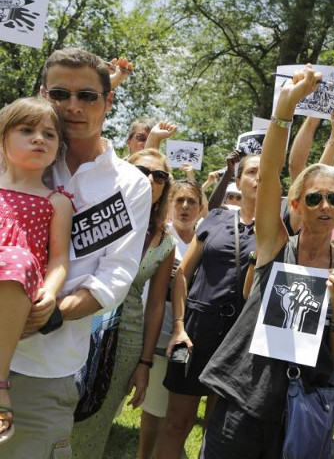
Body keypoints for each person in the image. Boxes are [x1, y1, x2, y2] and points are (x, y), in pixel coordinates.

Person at [198, 65, 334, 458]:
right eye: (315, 198)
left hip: (298, 410)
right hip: (244, 403)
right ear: (299, 205)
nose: (325, 205)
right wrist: (285, 110)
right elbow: (270, 173)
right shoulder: (274, 245)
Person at [1, 48, 151, 458]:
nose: (72, 107)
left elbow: (117, 275)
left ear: (109, 101)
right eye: (60, 93)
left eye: (87, 96)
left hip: (43, 367)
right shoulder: (15, 156)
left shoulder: (130, 184)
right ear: (42, 94)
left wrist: (53, 312)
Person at [71, 149, 176, 458]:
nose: (150, 179)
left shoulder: (164, 241)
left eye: (159, 176)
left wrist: (144, 365)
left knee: (95, 420)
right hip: (76, 322)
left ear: (164, 187)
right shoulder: (95, 213)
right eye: (142, 170)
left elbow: (156, 306)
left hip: (124, 341)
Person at [155, 153, 260, 459]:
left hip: (238, 340)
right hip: (196, 331)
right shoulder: (216, 218)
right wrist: (179, 326)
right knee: (177, 422)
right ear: (239, 182)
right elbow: (183, 276)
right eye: (252, 171)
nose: (259, 177)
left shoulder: (279, 229)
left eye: (267, 172)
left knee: (219, 430)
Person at [0, 98, 74, 444]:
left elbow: (59, 258)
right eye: (26, 130)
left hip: (16, 289)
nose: (38, 139)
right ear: (3, 138)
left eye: (49, 134)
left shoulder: (55, 201)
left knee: (18, 259)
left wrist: (51, 290)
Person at [137, 179, 204, 459]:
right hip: (156, 330)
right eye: (179, 200)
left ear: (201, 209)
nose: (185, 207)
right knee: (153, 408)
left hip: (187, 336)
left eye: (192, 202)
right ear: (170, 205)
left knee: (173, 409)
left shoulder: (206, 240)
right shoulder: (160, 237)